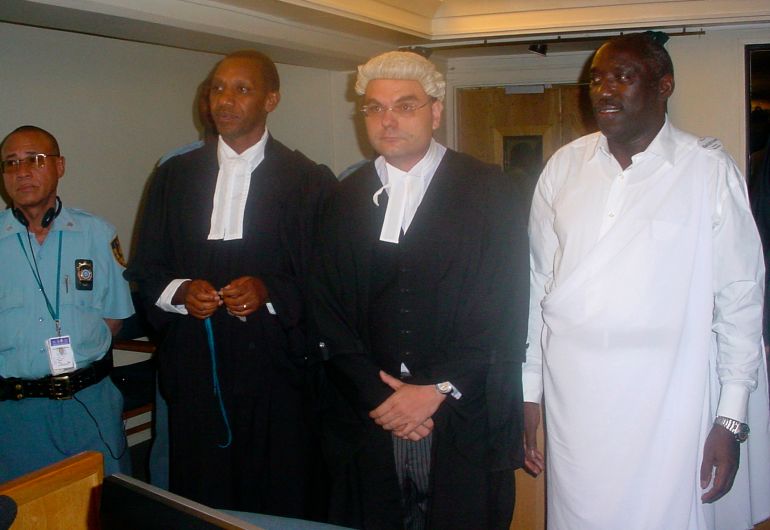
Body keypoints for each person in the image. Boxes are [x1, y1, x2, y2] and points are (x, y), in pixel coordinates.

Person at [524, 32, 770, 529]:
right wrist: (529, 391)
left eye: (623, 76)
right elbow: (538, 284)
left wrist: (729, 418)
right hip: (576, 402)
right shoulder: (563, 168)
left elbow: (740, 299)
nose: (604, 90)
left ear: (664, 85)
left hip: (671, 397)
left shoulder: (706, 169)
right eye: (597, 79)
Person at [311, 50, 529, 530]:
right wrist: (380, 398)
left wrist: (438, 387)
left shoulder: (489, 190)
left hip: (463, 411)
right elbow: (326, 310)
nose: (387, 120)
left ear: (435, 112)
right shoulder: (342, 200)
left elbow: (505, 306)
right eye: (375, 108)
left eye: (405, 106)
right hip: (371, 416)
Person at [125, 50, 337, 516]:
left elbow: (327, 281)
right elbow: (147, 268)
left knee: (279, 497)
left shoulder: (309, 181)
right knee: (204, 501)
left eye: (242, 89)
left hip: (278, 374)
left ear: (271, 100)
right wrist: (181, 293)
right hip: (197, 372)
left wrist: (270, 291)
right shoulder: (174, 176)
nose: (225, 100)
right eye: (217, 89)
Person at [0, 125, 134, 480]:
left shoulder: (98, 234)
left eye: (35, 159)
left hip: (90, 402)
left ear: (59, 166)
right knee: (26, 505)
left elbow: (113, 319)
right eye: (11, 163)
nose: (22, 171)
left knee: (104, 499)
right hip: (15, 412)